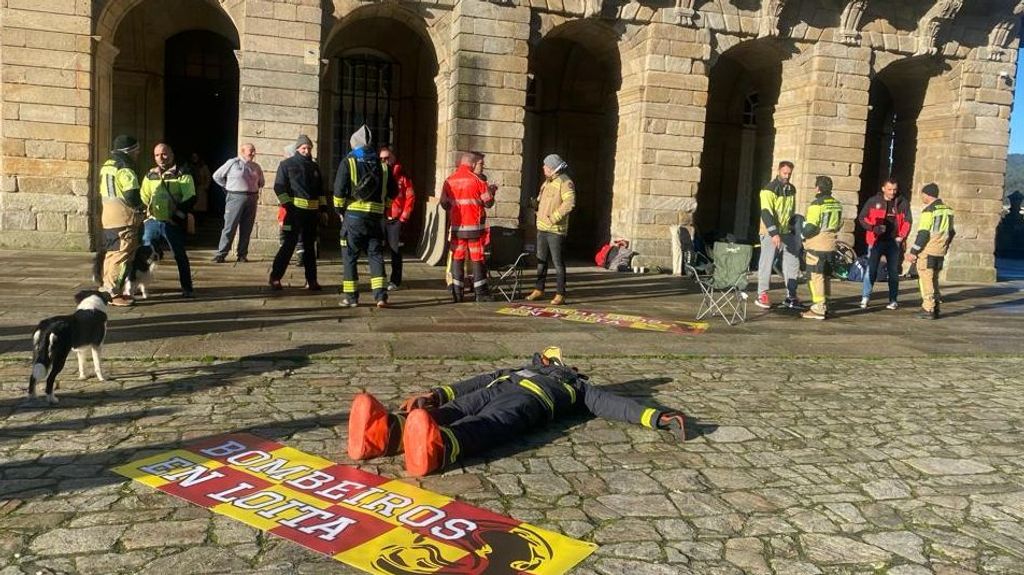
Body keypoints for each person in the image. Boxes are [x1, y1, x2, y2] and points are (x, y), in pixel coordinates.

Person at [346, 347, 687, 477]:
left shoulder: (577, 387)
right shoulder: (515, 369)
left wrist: (657, 417)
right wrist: (437, 394)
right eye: (544, 355)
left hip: (526, 404)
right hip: (492, 391)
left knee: (489, 425)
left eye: (551, 357)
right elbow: (476, 381)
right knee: (450, 410)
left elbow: (614, 405)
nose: (546, 358)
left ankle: (439, 448)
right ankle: (382, 432)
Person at [333, 126, 396, 308]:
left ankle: (351, 298)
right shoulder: (383, 166)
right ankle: (381, 297)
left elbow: (339, 191)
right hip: (375, 218)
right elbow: (393, 191)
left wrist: (339, 211)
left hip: (353, 217)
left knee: (350, 256)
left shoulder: (349, 161)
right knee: (375, 256)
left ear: (354, 144)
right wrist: (385, 206)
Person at [140, 143, 196, 298]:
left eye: (164, 154)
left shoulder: (182, 173)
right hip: (153, 221)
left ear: (171, 154)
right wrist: (145, 214)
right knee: (144, 253)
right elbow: (144, 196)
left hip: (172, 223)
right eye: (157, 155)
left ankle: (187, 287)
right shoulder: (150, 175)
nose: (161, 158)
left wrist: (176, 216)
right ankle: (140, 285)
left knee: (179, 255)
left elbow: (190, 197)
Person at [270, 135, 325, 291]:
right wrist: (288, 205)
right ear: (297, 149)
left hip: (311, 215)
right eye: (303, 148)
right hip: (293, 214)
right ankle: (275, 277)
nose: (307, 151)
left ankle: (312, 280)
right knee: (288, 246)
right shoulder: (286, 165)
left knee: (309, 248)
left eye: (309, 148)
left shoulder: (315, 167)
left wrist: (324, 210)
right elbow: (279, 187)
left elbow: (321, 191)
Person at [441, 151, 496, 303]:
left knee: (457, 258)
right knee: (477, 258)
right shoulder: (478, 180)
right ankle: (481, 293)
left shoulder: (449, 181)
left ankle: (457, 293)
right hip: (474, 229)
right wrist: (492, 191)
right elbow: (488, 202)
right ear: (472, 164)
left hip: (457, 228)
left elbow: (444, 203)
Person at [97, 134, 144, 307]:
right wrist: (140, 207)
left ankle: (106, 287)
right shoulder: (126, 167)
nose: (138, 154)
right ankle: (114, 293)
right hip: (123, 216)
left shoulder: (108, 164)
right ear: (129, 151)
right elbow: (131, 193)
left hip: (108, 215)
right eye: (136, 150)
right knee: (122, 255)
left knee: (111, 254)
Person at [526, 154, 576, 306]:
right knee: (541, 261)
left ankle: (560, 293)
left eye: (546, 166)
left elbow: (569, 203)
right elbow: (543, 201)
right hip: (542, 228)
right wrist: (535, 205)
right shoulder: (547, 182)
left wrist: (553, 218)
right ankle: (539, 289)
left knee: (557, 263)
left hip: (555, 230)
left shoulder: (565, 182)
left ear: (553, 168)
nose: (543, 168)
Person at [755, 161, 804, 310]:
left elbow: (790, 211)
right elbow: (766, 212)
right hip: (771, 232)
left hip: (786, 231)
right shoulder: (769, 190)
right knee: (767, 262)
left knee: (792, 263)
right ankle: (762, 294)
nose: (787, 176)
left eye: (789, 174)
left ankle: (791, 295)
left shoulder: (791, 189)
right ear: (778, 171)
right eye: (784, 173)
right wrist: (774, 233)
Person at [857, 178, 911, 310]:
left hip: (893, 242)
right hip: (875, 241)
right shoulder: (873, 201)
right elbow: (862, 218)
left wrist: (902, 236)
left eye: (894, 189)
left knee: (893, 271)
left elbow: (908, 221)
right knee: (871, 269)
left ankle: (893, 300)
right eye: (889, 189)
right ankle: (865, 297)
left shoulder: (902, 202)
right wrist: (873, 228)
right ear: (883, 189)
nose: (892, 192)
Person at [906, 183, 955, 320]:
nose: (921, 197)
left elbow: (923, 233)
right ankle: (936, 306)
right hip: (940, 250)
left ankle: (928, 308)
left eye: (922, 194)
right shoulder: (948, 210)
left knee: (926, 278)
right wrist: (945, 245)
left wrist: (913, 252)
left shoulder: (929, 211)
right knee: (934, 278)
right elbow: (951, 232)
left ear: (927, 195)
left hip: (928, 249)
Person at [212, 143, 265, 263]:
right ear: (242, 151)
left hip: (252, 197)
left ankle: (242, 254)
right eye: (250, 151)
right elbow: (217, 176)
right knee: (230, 226)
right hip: (236, 196)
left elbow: (261, 182)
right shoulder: (232, 163)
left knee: (247, 228)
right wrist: (227, 186)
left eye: (254, 151)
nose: (252, 153)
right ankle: (221, 254)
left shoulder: (256, 166)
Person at [800, 176, 844, 320]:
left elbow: (811, 227)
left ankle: (818, 307)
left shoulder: (816, 205)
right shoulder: (837, 204)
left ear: (817, 188)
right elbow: (839, 223)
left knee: (815, 275)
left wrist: (802, 234)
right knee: (825, 275)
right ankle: (826, 303)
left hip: (817, 243)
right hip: (831, 243)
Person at [379, 145, 415, 291]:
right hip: (381, 217)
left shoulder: (403, 176)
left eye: (387, 158)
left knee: (396, 252)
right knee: (377, 250)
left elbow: (410, 197)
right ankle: (379, 279)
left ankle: (395, 281)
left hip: (396, 219)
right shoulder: (378, 173)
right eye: (381, 159)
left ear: (393, 158)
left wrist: (403, 218)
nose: (384, 161)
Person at [188, 152, 212, 229]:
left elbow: (208, 177)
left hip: (201, 189)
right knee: (192, 207)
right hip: (191, 188)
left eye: (196, 156)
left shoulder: (203, 167)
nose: (195, 158)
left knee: (201, 207)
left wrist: (205, 186)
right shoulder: (189, 167)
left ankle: (201, 223)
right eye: (193, 157)